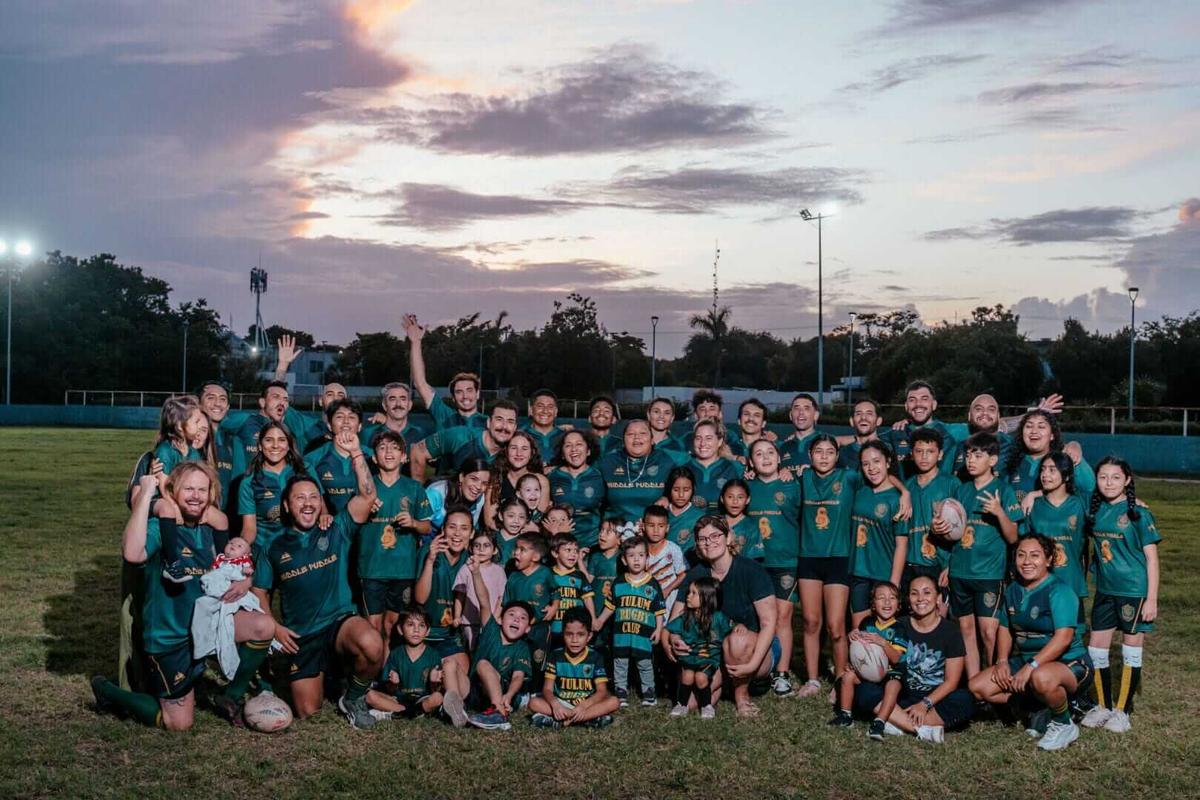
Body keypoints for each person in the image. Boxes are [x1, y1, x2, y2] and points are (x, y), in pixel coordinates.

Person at [92, 464, 274, 731]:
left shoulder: (212, 527)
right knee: (178, 723)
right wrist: (145, 496)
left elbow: (233, 562)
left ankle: (230, 697)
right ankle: (107, 690)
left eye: (202, 489)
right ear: (173, 491)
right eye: (188, 488)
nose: (195, 496)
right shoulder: (160, 528)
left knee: (264, 625)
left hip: (206, 627)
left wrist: (246, 581)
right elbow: (132, 553)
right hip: (171, 636)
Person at [250, 456, 382, 729]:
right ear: (286, 505)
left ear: (321, 503)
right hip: (302, 636)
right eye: (300, 498)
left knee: (372, 644)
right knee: (309, 712)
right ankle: (332, 678)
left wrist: (357, 454)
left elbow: (368, 496)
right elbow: (259, 591)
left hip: (339, 623)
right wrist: (274, 627)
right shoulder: (272, 547)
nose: (308, 503)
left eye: (314, 497)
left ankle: (354, 697)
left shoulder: (336, 529)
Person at [969, 535, 1092, 751]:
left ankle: (1064, 722)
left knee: (1041, 678)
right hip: (1029, 663)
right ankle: (1040, 707)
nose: (1027, 562)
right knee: (978, 687)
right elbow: (1005, 628)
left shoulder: (1060, 591)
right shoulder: (1013, 590)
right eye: (1021, 555)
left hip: (1070, 664)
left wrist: (1030, 666)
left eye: (1035, 556)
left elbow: (1063, 639)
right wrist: (1002, 660)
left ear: (1048, 559)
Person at [1080, 457, 1160, 734]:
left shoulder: (1138, 513)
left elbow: (1151, 558)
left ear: (1127, 480)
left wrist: (1151, 599)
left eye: (1116, 477)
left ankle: (1122, 712)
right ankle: (1102, 706)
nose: (1109, 483)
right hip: (1105, 590)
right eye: (1103, 477)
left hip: (1134, 592)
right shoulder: (1096, 510)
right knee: (1096, 649)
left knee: (1130, 650)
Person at [671, 516, 778, 717]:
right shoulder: (696, 574)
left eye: (715, 536)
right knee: (692, 703)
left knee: (736, 639)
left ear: (728, 538)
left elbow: (769, 623)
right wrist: (674, 640)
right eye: (703, 539)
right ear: (697, 545)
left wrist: (753, 664)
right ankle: (723, 683)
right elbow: (675, 618)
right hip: (712, 650)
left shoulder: (752, 570)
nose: (709, 542)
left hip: (752, 648)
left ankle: (741, 694)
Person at [944, 432, 1023, 678]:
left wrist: (999, 512)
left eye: (978, 455)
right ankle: (974, 684)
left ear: (993, 460)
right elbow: (952, 534)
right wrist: (942, 530)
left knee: (989, 632)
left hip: (989, 573)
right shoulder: (961, 490)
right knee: (965, 629)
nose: (970, 460)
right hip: (960, 571)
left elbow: (1013, 537)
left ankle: (991, 682)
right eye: (968, 455)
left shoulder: (1003, 490)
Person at [861, 575, 974, 744]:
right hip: (901, 695)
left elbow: (951, 682)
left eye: (927, 592)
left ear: (938, 598)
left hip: (935, 699)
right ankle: (921, 729)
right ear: (908, 599)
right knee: (864, 689)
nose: (920, 599)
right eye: (914, 593)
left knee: (966, 699)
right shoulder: (898, 625)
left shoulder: (951, 632)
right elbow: (873, 649)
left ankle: (896, 722)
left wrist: (925, 704)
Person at [795, 434, 859, 699]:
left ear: (837, 455)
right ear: (809, 455)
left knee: (835, 625)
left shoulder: (849, 478)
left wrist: (903, 494)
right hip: (809, 558)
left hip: (838, 558)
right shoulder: (801, 478)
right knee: (811, 622)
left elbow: (883, 476)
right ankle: (812, 680)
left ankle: (842, 677)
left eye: (829, 451)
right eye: (818, 451)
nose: (823, 456)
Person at [358, 430, 432, 640]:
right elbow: (351, 523)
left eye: (395, 448)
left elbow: (427, 527)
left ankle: (388, 670)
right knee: (373, 626)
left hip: (403, 570)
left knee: (393, 625)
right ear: (374, 457)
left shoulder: (415, 488)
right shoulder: (366, 487)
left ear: (404, 456)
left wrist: (413, 523)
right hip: (372, 568)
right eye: (382, 448)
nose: (388, 452)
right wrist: (366, 509)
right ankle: (371, 670)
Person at [746, 438, 802, 696]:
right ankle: (757, 669)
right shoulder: (745, 487)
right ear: (750, 462)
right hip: (755, 562)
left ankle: (781, 673)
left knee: (782, 617)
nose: (765, 457)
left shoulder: (793, 486)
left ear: (780, 459)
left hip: (785, 561)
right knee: (757, 618)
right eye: (759, 454)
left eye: (770, 452)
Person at [414, 508, 472, 727]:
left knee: (458, 669)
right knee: (428, 679)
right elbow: (420, 598)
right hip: (426, 635)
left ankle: (450, 702)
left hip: (451, 636)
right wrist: (429, 560)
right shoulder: (430, 553)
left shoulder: (471, 559)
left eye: (464, 528)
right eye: (452, 527)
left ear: (472, 533)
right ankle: (443, 702)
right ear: (443, 530)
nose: (457, 534)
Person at [593, 536, 666, 707]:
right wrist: (600, 621)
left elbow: (659, 610)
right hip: (621, 634)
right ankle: (621, 692)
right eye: (632, 556)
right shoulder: (618, 583)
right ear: (624, 560)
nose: (636, 559)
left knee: (645, 664)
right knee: (620, 663)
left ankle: (649, 693)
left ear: (647, 558)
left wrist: (659, 629)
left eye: (641, 555)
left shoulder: (653, 584)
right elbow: (611, 606)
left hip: (643, 634)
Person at [830, 582, 907, 736]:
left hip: (891, 672)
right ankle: (846, 715)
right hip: (869, 672)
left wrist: (882, 642)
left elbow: (897, 658)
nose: (887, 602)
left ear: (898, 605)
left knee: (893, 685)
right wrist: (853, 639)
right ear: (872, 604)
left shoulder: (899, 628)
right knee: (848, 677)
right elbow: (860, 651)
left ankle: (880, 722)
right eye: (881, 598)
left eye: (892, 598)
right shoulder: (867, 622)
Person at [849, 443, 912, 629]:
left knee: (884, 634)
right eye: (866, 463)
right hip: (858, 572)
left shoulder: (897, 500)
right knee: (859, 631)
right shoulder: (861, 489)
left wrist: (893, 583)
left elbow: (902, 544)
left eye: (877, 461)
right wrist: (905, 489)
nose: (871, 468)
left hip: (883, 574)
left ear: (888, 462)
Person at [529, 607, 620, 728]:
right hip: (562, 704)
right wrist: (555, 705)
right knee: (533, 703)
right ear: (563, 634)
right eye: (569, 634)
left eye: (581, 634)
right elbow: (547, 689)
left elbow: (602, 691)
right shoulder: (555, 655)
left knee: (614, 702)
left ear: (589, 636)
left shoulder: (596, 657)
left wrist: (583, 706)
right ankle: (587, 719)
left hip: (586, 704)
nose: (574, 640)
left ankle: (562, 722)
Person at [1024, 453, 1089, 609]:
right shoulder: (1033, 506)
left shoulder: (1080, 504)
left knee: (1070, 630)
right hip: (1039, 580)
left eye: (1052, 470)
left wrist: (1135, 501)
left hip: (1070, 580)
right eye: (1043, 470)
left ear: (1066, 476)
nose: (1045, 475)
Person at [902, 428, 959, 601]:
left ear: (940, 454)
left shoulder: (951, 484)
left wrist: (951, 565)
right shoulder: (907, 487)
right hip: (910, 564)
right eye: (919, 451)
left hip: (940, 565)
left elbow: (963, 529)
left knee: (940, 618)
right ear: (911, 454)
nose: (924, 456)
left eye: (930, 451)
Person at [403, 313, 487, 431]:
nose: (465, 396)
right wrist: (416, 342)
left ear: (477, 394)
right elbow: (420, 383)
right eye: (459, 392)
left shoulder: (490, 424)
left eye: (469, 390)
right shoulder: (444, 416)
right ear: (453, 397)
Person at [237, 422, 311, 551]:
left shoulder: (305, 470)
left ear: (289, 445)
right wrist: (240, 548)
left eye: (282, 440)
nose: (275, 445)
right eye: (269, 440)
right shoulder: (249, 482)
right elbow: (249, 529)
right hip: (265, 551)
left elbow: (322, 510)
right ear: (260, 446)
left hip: (303, 548)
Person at [666, 577, 732, 719]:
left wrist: (740, 627)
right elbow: (670, 630)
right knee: (687, 676)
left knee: (701, 677)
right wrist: (675, 640)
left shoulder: (718, 618)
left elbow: (730, 629)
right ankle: (681, 704)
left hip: (708, 658)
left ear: (706, 597)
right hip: (690, 656)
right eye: (688, 592)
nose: (688, 596)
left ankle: (706, 705)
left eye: (693, 593)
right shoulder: (686, 617)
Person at [466, 601, 534, 731]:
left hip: (501, 695)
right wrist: (475, 578)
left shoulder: (522, 647)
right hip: (475, 692)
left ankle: (499, 712)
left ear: (527, 628)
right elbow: (484, 600)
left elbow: (518, 676)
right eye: (512, 614)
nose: (517, 619)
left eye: (523, 618)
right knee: (451, 665)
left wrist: (509, 695)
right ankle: (454, 709)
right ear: (500, 619)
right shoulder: (490, 631)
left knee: (483, 664)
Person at [366, 609, 445, 720]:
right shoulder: (395, 654)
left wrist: (434, 682)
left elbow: (435, 690)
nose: (416, 630)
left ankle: (399, 714)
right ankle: (412, 713)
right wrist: (393, 684)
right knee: (370, 696)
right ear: (400, 629)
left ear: (427, 631)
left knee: (437, 698)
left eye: (421, 625)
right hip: (397, 699)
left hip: (422, 699)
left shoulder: (433, 655)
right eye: (410, 625)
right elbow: (389, 690)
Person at [1004, 409, 1096, 504]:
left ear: (1052, 435)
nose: (1034, 431)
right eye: (1028, 426)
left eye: (1041, 426)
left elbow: (1089, 486)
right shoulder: (1012, 460)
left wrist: (1074, 446)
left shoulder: (1064, 458)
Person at [597, 419, 679, 524]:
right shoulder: (608, 462)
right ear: (623, 440)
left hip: (653, 531)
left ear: (652, 440)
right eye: (631, 434)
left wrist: (668, 498)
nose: (637, 437)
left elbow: (681, 491)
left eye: (643, 433)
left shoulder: (666, 461)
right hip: (615, 531)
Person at [410, 400, 519, 478]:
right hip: (449, 500)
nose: (504, 426)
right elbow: (418, 450)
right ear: (489, 422)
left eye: (510, 421)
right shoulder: (461, 436)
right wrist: (419, 495)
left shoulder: (517, 450)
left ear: (515, 428)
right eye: (499, 419)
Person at [877, 381, 958, 479]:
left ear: (934, 404)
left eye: (924, 399)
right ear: (906, 406)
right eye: (912, 400)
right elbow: (866, 439)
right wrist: (853, 438)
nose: (918, 404)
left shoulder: (949, 433)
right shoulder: (896, 432)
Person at [502, 533, 558, 671]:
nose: (516, 552)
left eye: (522, 550)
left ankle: (535, 689)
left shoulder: (545, 573)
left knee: (537, 660)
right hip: (518, 626)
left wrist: (554, 606)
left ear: (535, 557)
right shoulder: (513, 577)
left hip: (540, 626)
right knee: (517, 658)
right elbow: (506, 602)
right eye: (516, 548)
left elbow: (555, 591)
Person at [305, 401, 371, 513]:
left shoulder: (372, 456)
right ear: (329, 425)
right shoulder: (312, 459)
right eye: (339, 417)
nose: (346, 422)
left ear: (360, 426)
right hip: (329, 525)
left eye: (351, 417)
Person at [547, 430, 606, 549]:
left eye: (579, 444)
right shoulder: (551, 477)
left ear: (588, 451)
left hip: (592, 544)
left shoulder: (599, 476)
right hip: (560, 544)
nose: (574, 449)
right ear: (562, 454)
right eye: (568, 445)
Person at [481, 431, 549, 530]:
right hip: (501, 537)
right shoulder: (496, 479)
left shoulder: (541, 481)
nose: (519, 453)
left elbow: (539, 520)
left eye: (524, 449)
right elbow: (489, 522)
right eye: (513, 448)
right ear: (506, 451)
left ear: (532, 452)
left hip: (530, 538)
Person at [453, 530, 508, 649]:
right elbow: (460, 595)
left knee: (488, 651)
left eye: (486, 545)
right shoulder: (466, 568)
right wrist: (457, 616)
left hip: (491, 622)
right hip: (469, 621)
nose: (481, 549)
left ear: (495, 550)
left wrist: (495, 618)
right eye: (477, 545)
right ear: (471, 549)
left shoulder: (499, 571)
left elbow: (501, 598)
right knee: (473, 651)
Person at [360, 382, 429, 463]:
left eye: (403, 399)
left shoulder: (421, 434)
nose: (398, 404)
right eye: (392, 399)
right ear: (385, 405)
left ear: (409, 405)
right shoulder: (368, 434)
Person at [686, 419, 745, 512]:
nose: (702, 443)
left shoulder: (734, 468)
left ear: (719, 441)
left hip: (721, 524)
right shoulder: (683, 468)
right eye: (698, 438)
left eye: (708, 438)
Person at [549, 533, 596, 645]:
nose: (573, 554)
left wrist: (593, 619)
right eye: (568, 550)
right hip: (553, 629)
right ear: (555, 553)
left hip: (574, 630)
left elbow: (588, 599)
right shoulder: (547, 574)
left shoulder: (579, 576)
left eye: (576, 550)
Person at [425, 459, 491, 535]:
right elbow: (421, 524)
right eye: (474, 479)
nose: (479, 487)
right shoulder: (436, 493)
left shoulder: (480, 498)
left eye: (484, 483)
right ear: (461, 477)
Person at [642, 506, 687, 611]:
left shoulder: (673, 549)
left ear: (667, 528)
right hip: (646, 598)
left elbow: (682, 574)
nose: (656, 530)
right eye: (651, 525)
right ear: (644, 526)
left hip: (668, 601)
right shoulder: (640, 549)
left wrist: (667, 590)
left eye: (661, 526)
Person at [777, 393, 822, 476]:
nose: (801, 412)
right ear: (790, 415)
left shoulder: (827, 443)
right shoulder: (782, 447)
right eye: (796, 408)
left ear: (816, 415)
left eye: (806, 408)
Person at [663, 467, 704, 552]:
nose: (681, 495)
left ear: (693, 489)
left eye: (686, 490)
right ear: (669, 489)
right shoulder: (661, 512)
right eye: (676, 490)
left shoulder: (699, 517)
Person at [721, 478, 761, 562]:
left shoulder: (752, 527)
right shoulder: (715, 523)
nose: (735, 501)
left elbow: (754, 561)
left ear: (747, 500)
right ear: (722, 499)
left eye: (740, 497)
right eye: (730, 497)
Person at [522, 389, 566, 464]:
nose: (545, 411)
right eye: (540, 406)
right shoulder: (520, 435)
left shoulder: (566, 437)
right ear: (530, 410)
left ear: (556, 412)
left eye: (550, 407)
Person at [837, 399, 882, 470]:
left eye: (869, 413)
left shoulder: (888, 450)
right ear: (851, 421)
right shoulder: (842, 454)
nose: (863, 417)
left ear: (878, 421)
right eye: (858, 413)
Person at [494, 497, 531, 567]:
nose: (516, 521)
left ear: (526, 519)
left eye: (521, 517)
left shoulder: (526, 543)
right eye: (511, 516)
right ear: (501, 516)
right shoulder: (490, 538)